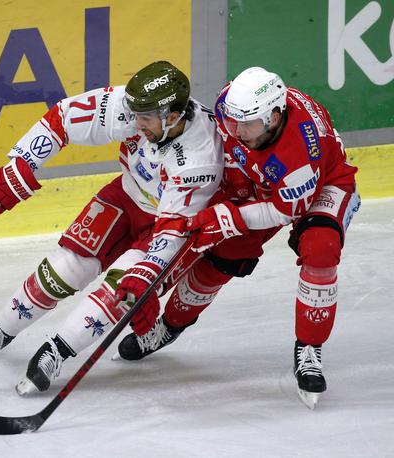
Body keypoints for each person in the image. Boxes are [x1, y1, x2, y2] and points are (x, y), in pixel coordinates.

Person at [0, 61, 225, 395]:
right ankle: (0, 330)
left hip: (169, 228)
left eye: (144, 118)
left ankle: (56, 351)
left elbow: (172, 230)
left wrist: (147, 275)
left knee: (119, 294)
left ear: (172, 116)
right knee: (64, 267)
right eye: (135, 114)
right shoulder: (136, 108)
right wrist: (21, 164)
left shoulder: (201, 158)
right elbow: (63, 119)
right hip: (126, 196)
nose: (135, 122)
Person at [117, 66, 359, 409]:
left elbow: (287, 209)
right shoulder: (233, 105)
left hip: (318, 187)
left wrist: (229, 217)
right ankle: (170, 326)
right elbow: (221, 138)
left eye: (247, 125)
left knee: (321, 251)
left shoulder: (300, 157)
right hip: (260, 183)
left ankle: (309, 348)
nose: (236, 131)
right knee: (223, 258)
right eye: (233, 122)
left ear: (275, 117)